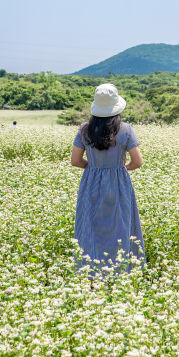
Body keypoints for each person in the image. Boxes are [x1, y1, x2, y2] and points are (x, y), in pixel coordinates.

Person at [71, 84, 145, 277]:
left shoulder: (84, 129)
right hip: (118, 182)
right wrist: (119, 168)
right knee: (120, 225)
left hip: (91, 181)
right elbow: (137, 162)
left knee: (90, 226)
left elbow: (75, 161)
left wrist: (95, 168)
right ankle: (121, 271)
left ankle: (90, 272)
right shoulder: (126, 130)